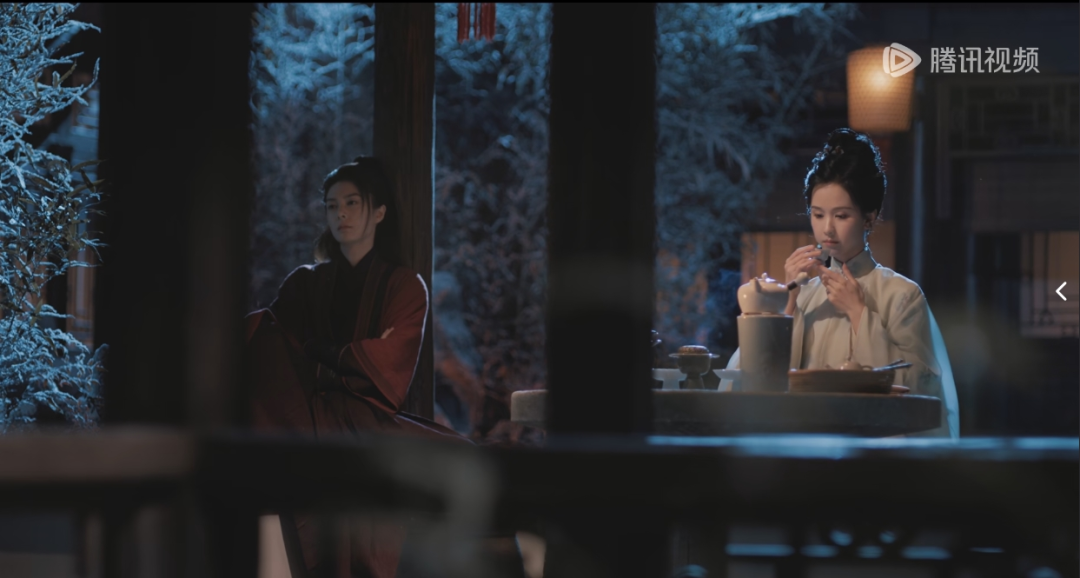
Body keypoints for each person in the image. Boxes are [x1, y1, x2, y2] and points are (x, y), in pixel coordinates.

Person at [245, 156, 467, 577]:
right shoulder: (304, 282)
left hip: (369, 415)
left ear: (379, 212)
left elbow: (389, 359)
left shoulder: (404, 285)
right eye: (332, 205)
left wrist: (319, 351)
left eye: (352, 203)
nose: (341, 214)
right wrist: (346, 355)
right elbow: (276, 347)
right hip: (306, 412)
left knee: (459, 462)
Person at [723, 129, 959, 439]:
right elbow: (749, 380)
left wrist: (860, 315)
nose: (827, 229)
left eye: (842, 216)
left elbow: (923, 388)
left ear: (869, 218)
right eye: (818, 215)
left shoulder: (901, 294)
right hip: (800, 443)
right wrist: (785, 302)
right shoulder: (802, 292)